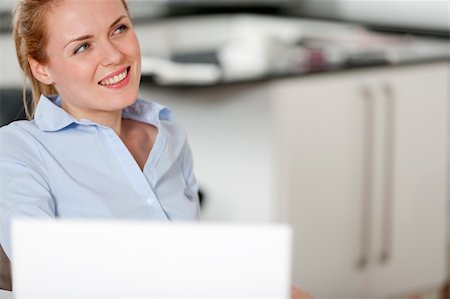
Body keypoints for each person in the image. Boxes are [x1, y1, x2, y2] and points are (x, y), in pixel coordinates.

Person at [0, 1, 313, 298]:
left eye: (119, 29)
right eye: (82, 46)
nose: (113, 55)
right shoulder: (20, 150)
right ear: (42, 69)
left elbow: (188, 259)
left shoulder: (170, 136)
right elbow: (43, 274)